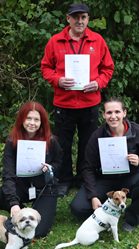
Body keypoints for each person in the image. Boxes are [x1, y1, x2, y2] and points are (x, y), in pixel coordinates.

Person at [41, 2, 114, 197]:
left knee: (88, 144)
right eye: (75, 17)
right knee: (62, 144)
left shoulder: (98, 41)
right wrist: (58, 80)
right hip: (63, 104)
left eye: (83, 17)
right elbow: (45, 67)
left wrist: (98, 83)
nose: (79, 21)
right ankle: (64, 180)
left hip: (90, 103)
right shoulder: (55, 41)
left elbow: (108, 68)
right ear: (68, 19)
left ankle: (83, 179)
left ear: (88, 19)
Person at [69, 97, 139, 232]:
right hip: (105, 180)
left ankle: (131, 219)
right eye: (109, 113)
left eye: (117, 112)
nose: (113, 116)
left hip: (130, 178)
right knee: (78, 208)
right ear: (103, 115)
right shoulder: (97, 136)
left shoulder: (137, 133)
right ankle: (107, 207)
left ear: (124, 113)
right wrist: (93, 196)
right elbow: (88, 168)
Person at [0, 102, 63, 238]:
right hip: (22, 186)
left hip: (45, 188)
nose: (32, 123)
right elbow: (8, 174)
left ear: (42, 122)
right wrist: (14, 203)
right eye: (28, 118)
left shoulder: (51, 141)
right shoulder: (12, 142)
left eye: (36, 119)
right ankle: (24, 211)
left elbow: (59, 162)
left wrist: (51, 168)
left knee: (39, 232)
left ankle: (43, 209)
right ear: (21, 119)